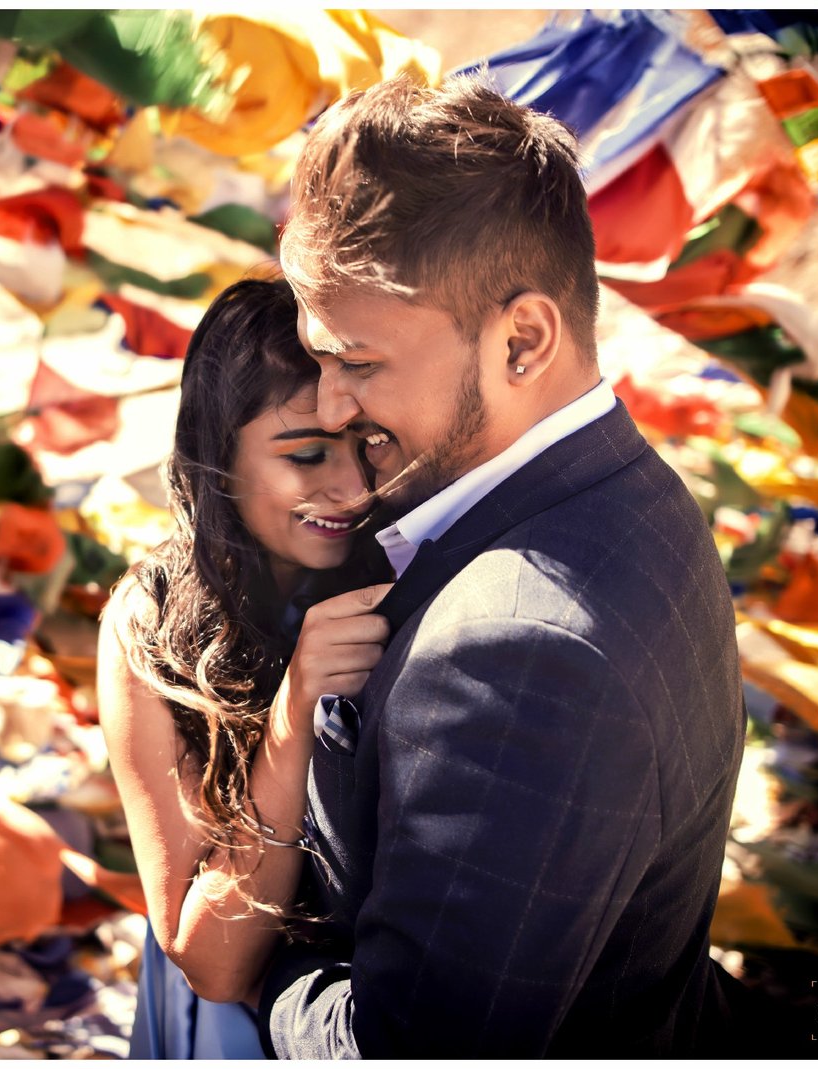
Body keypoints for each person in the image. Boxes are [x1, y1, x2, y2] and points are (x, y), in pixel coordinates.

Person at [255, 73, 747, 1057]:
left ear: (521, 339)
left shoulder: (514, 652)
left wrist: (265, 965)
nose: (331, 405)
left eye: (357, 361)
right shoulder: (636, 491)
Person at [98, 278, 394, 1058]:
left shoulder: (404, 570)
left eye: (367, 445)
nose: (354, 487)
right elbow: (211, 962)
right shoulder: (153, 625)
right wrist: (295, 712)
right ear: (217, 453)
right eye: (306, 455)